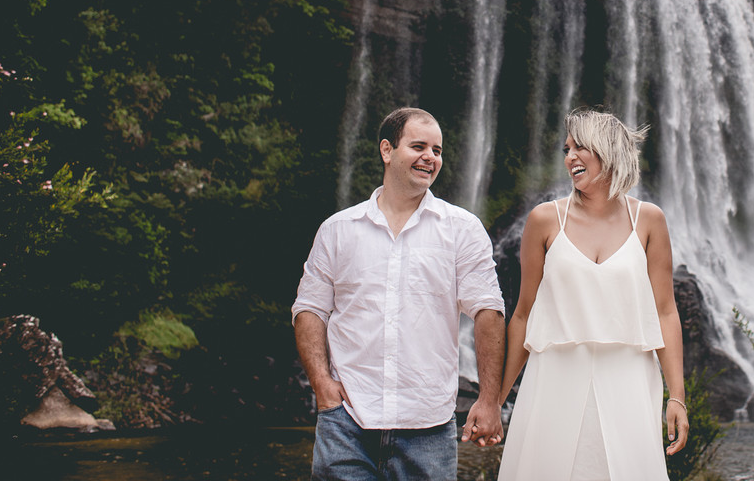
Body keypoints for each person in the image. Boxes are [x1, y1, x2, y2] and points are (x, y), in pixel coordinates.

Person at [292, 107, 506, 481]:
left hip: (429, 423)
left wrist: (489, 400)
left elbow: (489, 311)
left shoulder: (463, 230)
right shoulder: (338, 230)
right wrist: (323, 386)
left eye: (437, 151)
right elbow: (310, 309)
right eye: (419, 146)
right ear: (387, 150)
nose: (430, 157)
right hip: (347, 421)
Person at [497, 108, 688, 481]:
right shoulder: (543, 220)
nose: (570, 158)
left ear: (609, 149)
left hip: (629, 380)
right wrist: (494, 401)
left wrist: (676, 396)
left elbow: (666, 312)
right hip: (553, 380)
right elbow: (523, 315)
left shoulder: (649, 220)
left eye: (580, 147)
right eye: (566, 150)